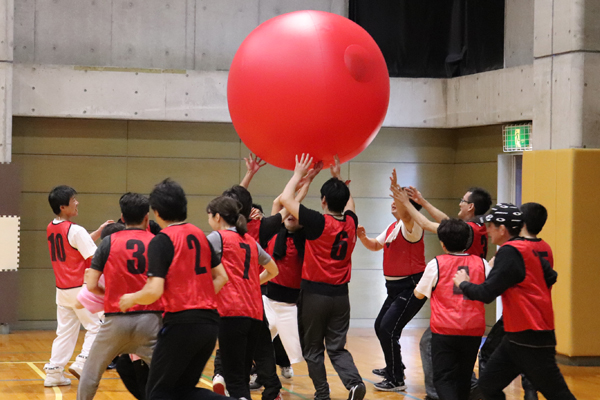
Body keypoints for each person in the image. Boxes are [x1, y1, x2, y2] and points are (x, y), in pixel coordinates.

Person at [119, 178, 229, 400]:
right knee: (180, 391)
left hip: (182, 325)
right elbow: (222, 277)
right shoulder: (200, 235)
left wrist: (130, 299)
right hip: (209, 324)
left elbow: (154, 290)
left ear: (156, 212)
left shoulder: (162, 240)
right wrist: (201, 294)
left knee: (157, 393)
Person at [453, 204, 576, 400]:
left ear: (502, 229)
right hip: (517, 337)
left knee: (558, 394)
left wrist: (464, 284)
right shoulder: (528, 247)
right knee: (484, 389)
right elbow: (551, 276)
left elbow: (486, 293)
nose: (487, 230)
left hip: (530, 336)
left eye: (491, 226)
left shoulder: (510, 252)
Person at [391, 185, 492, 400]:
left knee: (432, 345)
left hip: (457, 293)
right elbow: (447, 222)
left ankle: (438, 393)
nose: (460, 203)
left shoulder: (462, 237)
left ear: (471, 206)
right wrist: (423, 201)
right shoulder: (477, 226)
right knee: (462, 364)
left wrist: (408, 204)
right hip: (473, 307)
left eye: (463, 201)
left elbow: (430, 224)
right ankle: (466, 388)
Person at [280, 154, 366, 400]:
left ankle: (322, 395)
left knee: (313, 349)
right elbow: (350, 205)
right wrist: (338, 180)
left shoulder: (318, 222)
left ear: (324, 200)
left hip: (315, 295)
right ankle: (355, 383)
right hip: (341, 296)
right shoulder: (350, 223)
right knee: (337, 348)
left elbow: (286, 199)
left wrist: (299, 174)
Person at [77, 192, 163, 400]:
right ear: (146, 217)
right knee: (166, 377)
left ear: (122, 218)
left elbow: (91, 285)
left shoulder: (108, 242)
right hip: (151, 321)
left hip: (116, 320)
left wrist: (109, 295)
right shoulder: (158, 242)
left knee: (90, 373)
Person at [356, 169, 427, 391]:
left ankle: (396, 380)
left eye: (399, 201)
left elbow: (407, 216)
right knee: (381, 326)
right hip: (395, 289)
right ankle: (394, 367)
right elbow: (375, 246)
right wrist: (363, 238)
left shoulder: (412, 226)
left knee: (389, 329)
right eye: (394, 200)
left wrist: (396, 191)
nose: (394, 204)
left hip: (411, 287)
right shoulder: (392, 227)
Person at [206, 196, 280, 400]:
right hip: (254, 313)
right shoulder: (250, 241)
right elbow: (273, 270)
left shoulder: (217, 237)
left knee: (234, 378)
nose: (209, 222)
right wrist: (252, 283)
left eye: (210, 217)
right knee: (241, 374)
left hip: (231, 312)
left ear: (218, 217)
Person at [477, 202, 553, 400]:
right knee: (535, 369)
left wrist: (468, 285)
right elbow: (551, 276)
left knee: (488, 357)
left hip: (521, 317)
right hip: (539, 318)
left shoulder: (516, 250)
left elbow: (489, 288)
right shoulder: (544, 247)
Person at [414, 219, 490, 400]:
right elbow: (489, 289)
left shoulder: (437, 263)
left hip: (445, 330)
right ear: (467, 241)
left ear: (442, 242)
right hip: (473, 329)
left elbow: (418, 294)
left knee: (443, 378)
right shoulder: (481, 263)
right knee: (464, 378)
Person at [44, 185, 111, 387]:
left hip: (62, 289)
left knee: (64, 332)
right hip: (80, 287)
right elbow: (95, 256)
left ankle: (54, 372)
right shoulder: (75, 230)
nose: (77, 203)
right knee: (97, 328)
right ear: (64, 206)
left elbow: (74, 246)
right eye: (74, 200)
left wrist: (98, 232)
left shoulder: (52, 227)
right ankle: (82, 363)